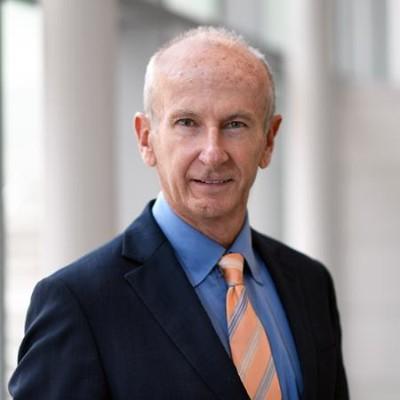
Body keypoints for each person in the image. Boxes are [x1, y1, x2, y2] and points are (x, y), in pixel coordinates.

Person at [9, 26, 349, 399]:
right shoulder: (80, 303)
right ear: (146, 139)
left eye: (235, 125)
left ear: (269, 140)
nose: (213, 153)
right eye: (187, 123)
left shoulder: (310, 284)